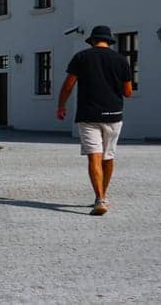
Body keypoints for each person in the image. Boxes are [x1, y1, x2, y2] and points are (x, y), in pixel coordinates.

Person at [57, 25, 135, 215]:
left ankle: (99, 198)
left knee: (94, 157)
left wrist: (61, 106)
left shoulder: (81, 57)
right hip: (114, 116)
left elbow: (68, 85)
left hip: (88, 115)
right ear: (109, 41)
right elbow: (128, 92)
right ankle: (103, 196)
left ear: (92, 40)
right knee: (108, 156)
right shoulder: (121, 60)